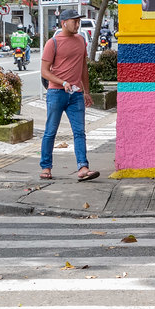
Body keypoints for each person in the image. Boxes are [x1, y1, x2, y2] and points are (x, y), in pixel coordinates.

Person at [39, 13, 98, 182]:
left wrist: (86, 91)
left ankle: (83, 167)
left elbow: (83, 67)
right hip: (56, 93)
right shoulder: (53, 43)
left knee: (79, 132)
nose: (77, 24)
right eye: (75, 21)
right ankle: (46, 167)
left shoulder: (80, 40)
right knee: (51, 132)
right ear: (64, 23)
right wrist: (62, 82)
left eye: (79, 21)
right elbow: (45, 71)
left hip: (76, 94)